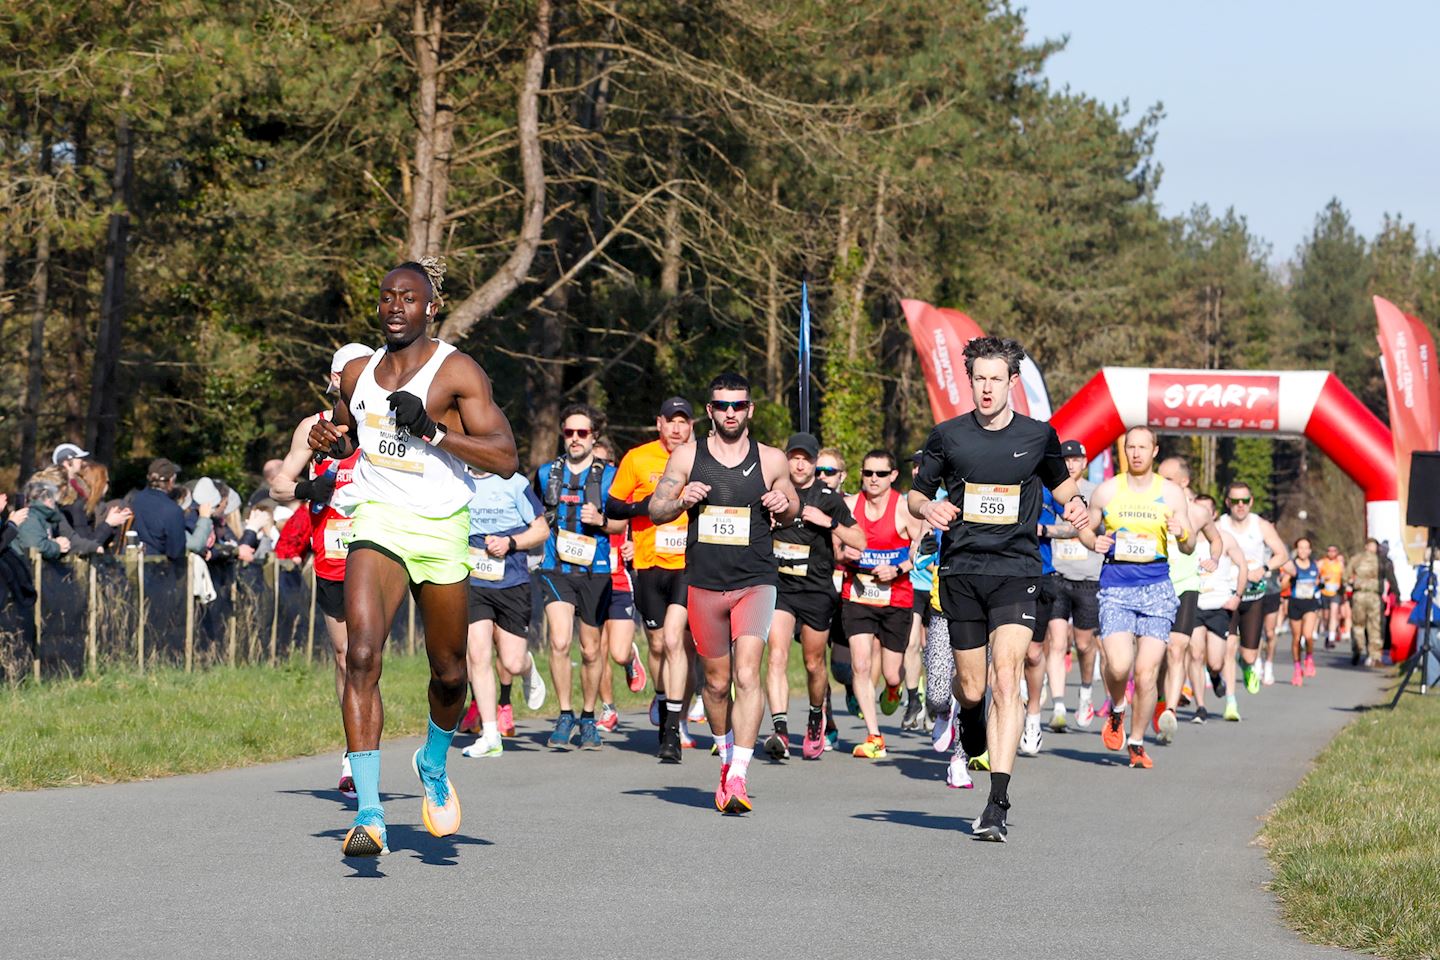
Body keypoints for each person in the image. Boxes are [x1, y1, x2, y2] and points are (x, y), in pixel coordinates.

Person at [308, 258, 518, 859]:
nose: (395, 305)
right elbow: (354, 432)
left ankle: (432, 760)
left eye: (409, 297)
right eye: (386, 297)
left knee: (450, 672)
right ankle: (370, 815)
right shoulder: (357, 371)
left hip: (443, 526)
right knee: (362, 655)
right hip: (378, 520)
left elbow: (504, 456)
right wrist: (333, 440)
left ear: (431, 308)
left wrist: (433, 430)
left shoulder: (456, 371)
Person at [908, 336, 1088, 842]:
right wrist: (929, 509)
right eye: (979, 379)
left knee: (1005, 678)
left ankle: (997, 802)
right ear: (971, 382)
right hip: (962, 572)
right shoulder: (947, 436)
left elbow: (1062, 486)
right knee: (970, 688)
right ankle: (969, 726)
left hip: (1016, 570)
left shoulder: (1038, 436)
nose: (987, 388)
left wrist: (1075, 506)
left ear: (1012, 383)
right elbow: (914, 497)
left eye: (996, 379)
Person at [649, 372, 798, 813]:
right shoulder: (686, 456)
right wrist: (680, 500)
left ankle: (738, 774)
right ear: (710, 411)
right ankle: (725, 751)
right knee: (714, 684)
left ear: (749, 410)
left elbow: (793, 507)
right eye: (722, 405)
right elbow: (656, 509)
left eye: (738, 405)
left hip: (755, 579)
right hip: (705, 583)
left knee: (747, 673)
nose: (730, 412)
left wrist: (781, 504)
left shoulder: (771, 459)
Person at [1076, 427, 1194, 770]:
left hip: (1157, 588)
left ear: (1155, 450)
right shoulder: (1108, 490)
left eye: (1143, 447)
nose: (1137, 453)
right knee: (1118, 664)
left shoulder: (1171, 494)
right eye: (1131, 447)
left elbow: (1189, 544)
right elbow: (1087, 527)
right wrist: (1091, 541)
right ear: (1125, 450)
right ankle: (1116, 708)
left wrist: (1182, 533)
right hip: (1116, 587)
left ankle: (1137, 740)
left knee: (1145, 672)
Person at [765, 432, 864, 760]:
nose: (799, 464)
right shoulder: (773, 491)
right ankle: (779, 730)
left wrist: (828, 522)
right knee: (776, 656)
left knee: (813, 662)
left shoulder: (827, 496)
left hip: (817, 590)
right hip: (781, 588)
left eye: (806, 458)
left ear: (814, 461)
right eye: (793, 457)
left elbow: (859, 540)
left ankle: (814, 716)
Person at [607, 398, 696, 762]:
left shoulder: (700, 459)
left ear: (692, 426)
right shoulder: (637, 458)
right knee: (658, 645)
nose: (677, 429)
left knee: (676, 641)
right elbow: (613, 507)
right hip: (648, 564)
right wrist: (644, 507)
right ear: (658, 423)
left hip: (688, 564)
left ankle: (673, 730)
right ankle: (663, 704)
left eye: (683, 422)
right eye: (670, 421)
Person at [533, 403, 622, 751]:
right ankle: (565, 712)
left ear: (594, 436)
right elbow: (537, 516)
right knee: (558, 641)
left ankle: (588, 716)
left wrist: (600, 521)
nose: (574, 439)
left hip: (594, 571)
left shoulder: (609, 475)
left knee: (590, 649)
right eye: (569, 432)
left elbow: (621, 523)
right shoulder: (545, 473)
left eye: (581, 433)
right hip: (556, 568)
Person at [458, 465, 549, 757]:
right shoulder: (455, 479)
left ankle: (528, 668)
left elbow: (541, 529)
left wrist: (510, 542)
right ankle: (490, 733)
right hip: (474, 582)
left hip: (512, 582)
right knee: (477, 655)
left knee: (511, 662)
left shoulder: (514, 483)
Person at [840, 449, 922, 759]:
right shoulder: (849, 505)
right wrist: (843, 554)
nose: (872, 480)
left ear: (892, 476)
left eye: (879, 474)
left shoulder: (903, 508)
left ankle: (893, 688)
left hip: (896, 597)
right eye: (867, 473)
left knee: (891, 672)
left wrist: (898, 568)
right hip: (858, 593)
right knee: (860, 664)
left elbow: (921, 550)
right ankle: (874, 736)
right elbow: (835, 542)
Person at [1152, 457, 1224, 744]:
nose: (1160, 483)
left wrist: (1214, 559)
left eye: (1167, 479)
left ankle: (1169, 709)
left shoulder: (1198, 513)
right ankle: (1158, 699)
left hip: (1186, 586)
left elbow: (1216, 540)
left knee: (1177, 647)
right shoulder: (1150, 508)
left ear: (1184, 482)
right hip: (1155, 585)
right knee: (1155, 655)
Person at [1044, 440, 1102, 731]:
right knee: (1056, 642)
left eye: (1076, 459)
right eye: (1066, 460)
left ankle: (1086, 693)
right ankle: (1057, 707)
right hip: (1057, 574)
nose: (1070, 464)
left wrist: (1050, 530)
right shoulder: (1053, 489)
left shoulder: (1095, 493)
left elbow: (1087, 527)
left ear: (1085, 462)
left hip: (1088, 578)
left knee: (1083, 644)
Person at [591, 437, 647, 733]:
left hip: (620, 580)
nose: (596, 470)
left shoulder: (625, 495)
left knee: (617, 651)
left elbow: (646, 526)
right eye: (592, 464)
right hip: (592, 580)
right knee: (596, 649)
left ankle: (629, 659)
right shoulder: (580, 495)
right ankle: (608, 709)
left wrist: (634, 547)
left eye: (601, 464)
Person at [1216, 483, 1289, 693]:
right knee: (1226, 647)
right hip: (1227, 594)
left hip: (1254, 595)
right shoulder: (1220, 525)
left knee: (1250, 655)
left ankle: (1246, 663)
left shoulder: (1261, 525)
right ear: (1228, 502)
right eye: (1236, 501)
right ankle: (1230, 700)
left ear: (1251, 502)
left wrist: (1264, 568)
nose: (1240, 506)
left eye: (1245, 501)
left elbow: (1281, 554)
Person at [1190, 493, 1248, 721]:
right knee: (1195, 654)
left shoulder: (1225, 538)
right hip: (1193, 603)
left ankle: (1215, 676)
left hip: (1219, 605)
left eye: (1206, 511)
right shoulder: (1187, 539)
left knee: (1215, 661)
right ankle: (1200, 707)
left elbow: (1242, 565)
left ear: (1213, 514)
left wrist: (1238, 596)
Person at [902, 451, 938, 733]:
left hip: (940, 585)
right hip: (913, 584)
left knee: (935, 649)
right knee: (911, 643)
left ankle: (937, 704)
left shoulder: (949, 497)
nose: (917, 471)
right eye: (914, 467)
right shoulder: (904, 502)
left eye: (922, 467)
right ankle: (914, 700)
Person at [128, 459, 190, 561]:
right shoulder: (172, 510)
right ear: (171, 481)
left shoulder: (134, 500)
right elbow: (176, 552)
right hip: (158, 570)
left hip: (129, 564)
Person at [1280, 537, 1322, 684]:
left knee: (1308, 635)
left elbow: (1318, 582)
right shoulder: (1291, 566)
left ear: (1310, 550)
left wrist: (1318, 583)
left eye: (1306, 547)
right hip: (1295, 604)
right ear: (1296, 550)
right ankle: (1297, 669)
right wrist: (1286, 578)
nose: (1303, 550)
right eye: (1300, 547)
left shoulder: (1314, 565)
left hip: (1310, 603)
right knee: (1296, 638)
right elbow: (1283, 586)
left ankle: (1309, 658)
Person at [1348, 538, 1385, 668]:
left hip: (1359, 594)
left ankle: (1357, 648)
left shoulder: (1356, 559)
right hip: (1373, 595)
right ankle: (1374, 655)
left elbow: (1346, 576)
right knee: (1374, 625)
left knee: (1358, 624)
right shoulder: (1380, 560)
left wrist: (1351, 584)